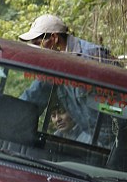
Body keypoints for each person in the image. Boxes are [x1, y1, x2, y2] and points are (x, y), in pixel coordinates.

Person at [19, 14, 119, 145]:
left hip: (119, 141)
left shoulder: (93, 56)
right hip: (97, 142)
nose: (37, 50)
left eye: (38, 43)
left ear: (54, 38)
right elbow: (33, 96)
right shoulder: (54, 66)